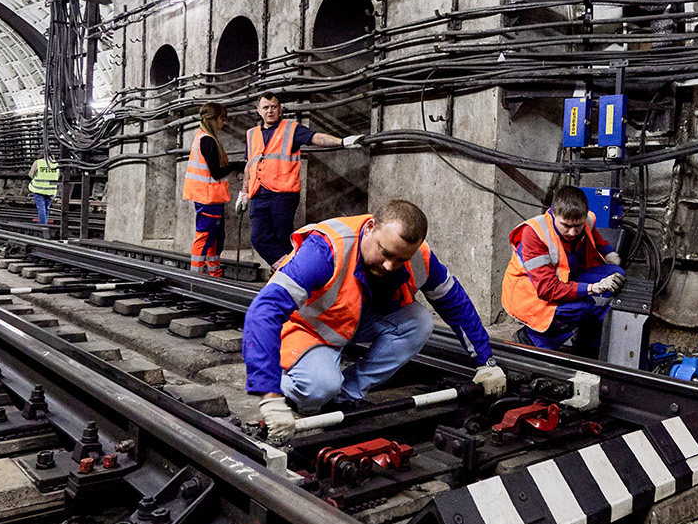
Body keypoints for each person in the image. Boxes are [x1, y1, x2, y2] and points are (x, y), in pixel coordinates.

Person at [242, 198, 507, 441]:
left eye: (400, 259)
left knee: (420, 321)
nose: (391, 265)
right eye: (385, 252)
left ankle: (345, 396)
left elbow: (455, 303)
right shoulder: (327, 249)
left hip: (355, 322)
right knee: (319, 388)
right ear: (369, 227)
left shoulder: (419, 257)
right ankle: (291, 386)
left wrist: (486, 362)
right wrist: (269, 395)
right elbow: (263, 310)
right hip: (312, 328)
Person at [234, 92, 362, 267]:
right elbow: (250, 165)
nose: (270, 111)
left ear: (280, 109)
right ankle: (291, 271)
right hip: (258, 195)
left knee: (282, 239)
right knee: (258, 238)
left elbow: (316, 138)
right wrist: (244, 193)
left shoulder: (291, 129)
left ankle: (286, 275)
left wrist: (342, 142)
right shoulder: (251, 134)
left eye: (274, 107)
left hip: (283, 196)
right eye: (266, 107)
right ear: (258, 110)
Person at [501, 185, 626, 356]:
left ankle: (588, 346)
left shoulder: (585, 221)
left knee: (616, 276)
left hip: (567, 278)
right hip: (534, 292)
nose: (573, 232)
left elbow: (595, 237)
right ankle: (532, 338)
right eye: (566, 226)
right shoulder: (534, 234)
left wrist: (608, 252)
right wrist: (592, 288)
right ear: (553, 214)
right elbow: (547, 289)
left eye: (578, 226)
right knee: (581, 307)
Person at [182, 102, 238, 277]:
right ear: (213, 119)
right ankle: (196, 277)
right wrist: (238, 165)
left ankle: (215, 273)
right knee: (205, 236)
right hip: (208, 198)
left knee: (214, 237)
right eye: (222, 119)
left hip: (210, 198)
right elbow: (216, 173)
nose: (223, 123)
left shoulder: (202, 137)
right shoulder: (208, 141)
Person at [28, 146, 60, 226]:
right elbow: (57, 176)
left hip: (38, 189)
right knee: (46, 208)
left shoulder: (37, 162)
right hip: (50, 190)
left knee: (41, 208)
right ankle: (45, 224)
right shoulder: (55, 163)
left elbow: (31, 174)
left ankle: (43, 226)